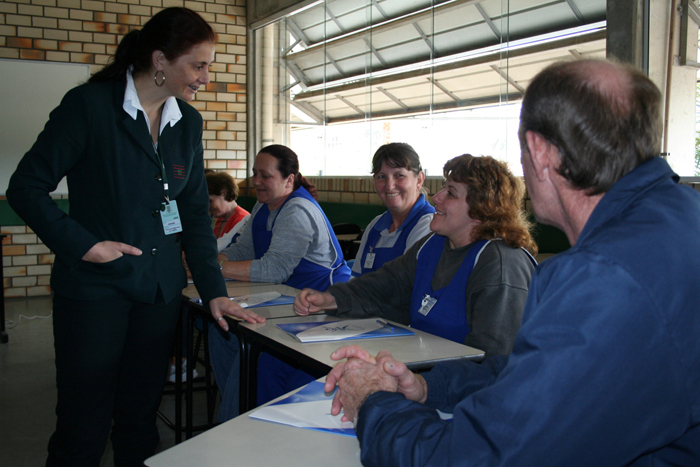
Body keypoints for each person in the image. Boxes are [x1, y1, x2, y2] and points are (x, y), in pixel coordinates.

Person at [324, 59, 700, 466]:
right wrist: (427, 387)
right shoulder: (680, 217)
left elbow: (482, 457)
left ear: (538, 151)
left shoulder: (602, 278)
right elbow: (527, 374)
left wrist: (374, 402)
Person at [5, 8, 264, 466]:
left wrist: (214, 293)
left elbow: (194, 217)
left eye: (209, 65)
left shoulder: (188, 123)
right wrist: (83, 244)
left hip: (159, 293)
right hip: (94, 291)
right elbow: (25, 187)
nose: (205, 78)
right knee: (83, 424)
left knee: (139, 419)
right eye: (197, 65)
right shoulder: (88, 107)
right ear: (160, 60)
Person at [295, 153, 537, 356]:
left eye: (450, 193)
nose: (437, 197)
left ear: (482, 207)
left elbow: (494, 363)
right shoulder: (432, 245)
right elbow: (386, 285)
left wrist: (420, 387)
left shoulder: (501, 264)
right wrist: (331, 299)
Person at [208, 144, 352, 422]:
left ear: (289, 180)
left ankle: (234, 424)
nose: (257, 182)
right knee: (222, 332)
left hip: (321, 306)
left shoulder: (297, 210)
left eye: (265, 175)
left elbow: (274, 269)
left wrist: (215, 268)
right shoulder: (263, 205)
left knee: (251, 345)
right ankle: (240, 410)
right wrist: (215, 262)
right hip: (285, 301)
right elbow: (242, 250)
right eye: (254, 174)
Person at [351, 142, 435, 277]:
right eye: (381, 177)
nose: (389, 186)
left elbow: (405, 289)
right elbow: (355, 281)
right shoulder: (375, 225)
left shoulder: (428, 225)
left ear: (419, 180)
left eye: (399, 175)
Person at [205, 171, 250, 251]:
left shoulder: (241, 220)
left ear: (223, 193)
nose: (208, 206)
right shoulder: (220, 219)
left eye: (210, 201)